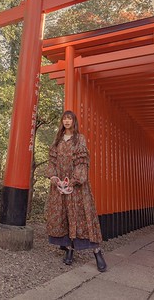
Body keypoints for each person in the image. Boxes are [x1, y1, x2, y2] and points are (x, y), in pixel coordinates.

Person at [45, 110, 106, 272]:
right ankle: (70, 250)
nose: (66, 121)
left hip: (77, 188)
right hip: (59, 187)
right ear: (62, 121)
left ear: (74, 121)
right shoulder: (57, 140)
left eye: (69, 118)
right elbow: (52, 161)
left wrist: (73, 181)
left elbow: (82, 162)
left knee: (83, 218)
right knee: (65, 217)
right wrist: (53, 177)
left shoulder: (80, 139)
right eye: (64, 118)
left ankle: (97, 252)